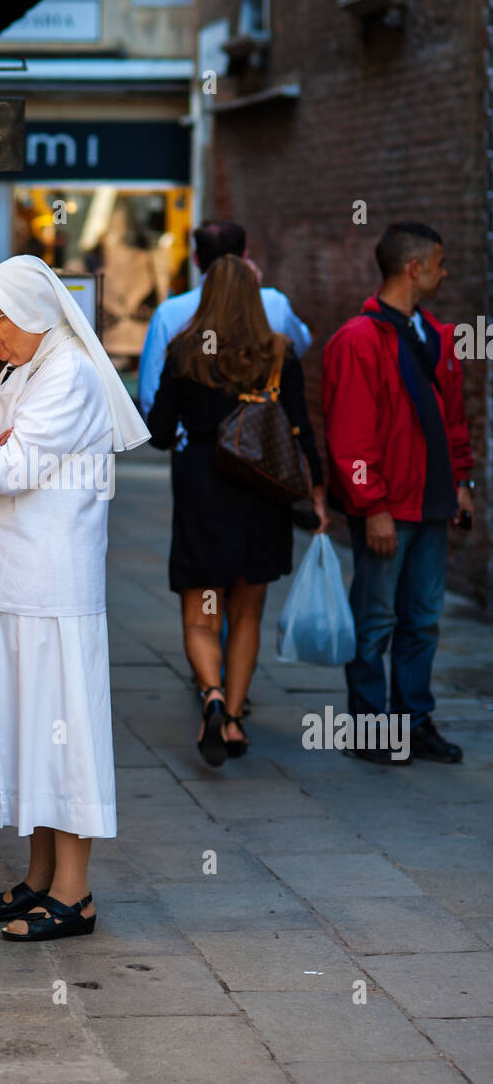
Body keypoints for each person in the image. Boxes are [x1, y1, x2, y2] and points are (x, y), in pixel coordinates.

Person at [0, 255, 149, 942]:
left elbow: (7, 467)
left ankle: (76, 892)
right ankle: (41, 878)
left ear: (35, 312)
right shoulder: (21, 371)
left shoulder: (68, 373)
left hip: (48, 585)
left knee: (59, 729)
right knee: (30, 728)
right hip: (4, 576)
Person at [147, 256, 328, 765]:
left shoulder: (186, 351)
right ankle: (232, 722)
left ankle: (211, 695)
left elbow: (159, 433)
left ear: (207, 296)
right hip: (262, 497)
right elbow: (300, 429)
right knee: (246, 612)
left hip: (204, 497)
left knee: (204, 612)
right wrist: (317, 492)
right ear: (254, 297)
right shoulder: (279, 353)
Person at [322, 223, 475, 765]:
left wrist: (462, 484)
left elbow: (453, 421)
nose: (445, 271)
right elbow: (349, 437)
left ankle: (413, 722)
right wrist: (373, 508)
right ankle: (368, 730)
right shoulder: (357, 341)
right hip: (389, 509)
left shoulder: (436, 333)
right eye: (439, 262)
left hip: (432, 506)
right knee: (376, 621)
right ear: (415, 268)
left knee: (423, 620)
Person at [138, 219, 312, 420]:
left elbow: (150, 386)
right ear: (245, 256)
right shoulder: (274, 303)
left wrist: (180, 435)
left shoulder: (169, 312)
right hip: (258, 438)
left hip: (195, 438)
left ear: (195, 259)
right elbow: (299, 346)